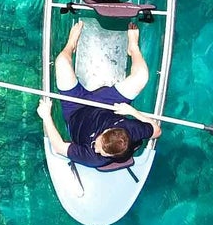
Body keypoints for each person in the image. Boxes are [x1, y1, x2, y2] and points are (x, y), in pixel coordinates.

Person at [36, 20, 161, 167]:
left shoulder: (93, 158)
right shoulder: (131, 130)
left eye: (101, 151)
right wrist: (132, 111)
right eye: (99, 143)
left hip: (75, 110)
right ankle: (132, 48)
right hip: (106, 105)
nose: (96, 147)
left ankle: (70, 44)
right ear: (109, 130)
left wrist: (46, 116)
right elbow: (157, 131)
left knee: (61, 62)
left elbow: (58, 147)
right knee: (141, 76)